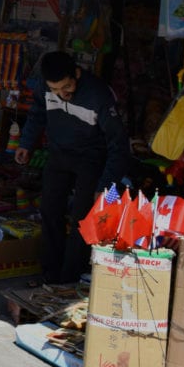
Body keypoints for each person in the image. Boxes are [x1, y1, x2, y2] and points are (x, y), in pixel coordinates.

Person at [16, 51, 130, 284]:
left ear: (77, 73)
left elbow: (119, 146)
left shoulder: (99, 94)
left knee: (82, 218)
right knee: (49, 210)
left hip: (91, 158)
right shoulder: (44, 87)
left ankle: (70, 278)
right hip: (58, 153)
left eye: (66, 87)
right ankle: (50, 273)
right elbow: (37, 113)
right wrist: (26, 143)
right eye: (55, 90)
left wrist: (106, 185)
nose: (61, 94)